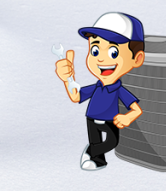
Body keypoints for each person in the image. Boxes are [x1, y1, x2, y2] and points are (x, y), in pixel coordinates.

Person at [54, 12, 145, 171]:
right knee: (96, 142)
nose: (101, 59)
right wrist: (66, 80)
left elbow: (136, 109)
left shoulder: (118, 89)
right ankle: (97, 161)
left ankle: (90, 152)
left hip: (110, 120)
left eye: (113, 52)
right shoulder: (96, 87)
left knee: (112, 142)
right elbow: (76, 97)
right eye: (95, 50)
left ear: (136, 59)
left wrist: (127, 117)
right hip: (91, 118)